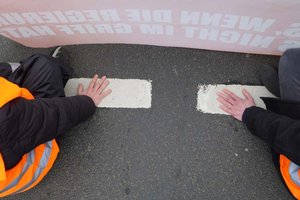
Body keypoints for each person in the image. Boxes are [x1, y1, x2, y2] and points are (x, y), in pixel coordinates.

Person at [0, 47, 112, 197]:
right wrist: (87, 102)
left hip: (13, 129)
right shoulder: (6, 118)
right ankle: (56, 68)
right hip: (30, 161)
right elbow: (53, 115)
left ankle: (27, 70)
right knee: (45, 66)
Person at [217, 48, 300, 199]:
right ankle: (286, 94)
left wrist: (249, 114)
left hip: (293, 159)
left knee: (291, 62)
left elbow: (288, 136)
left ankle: (286, 98)